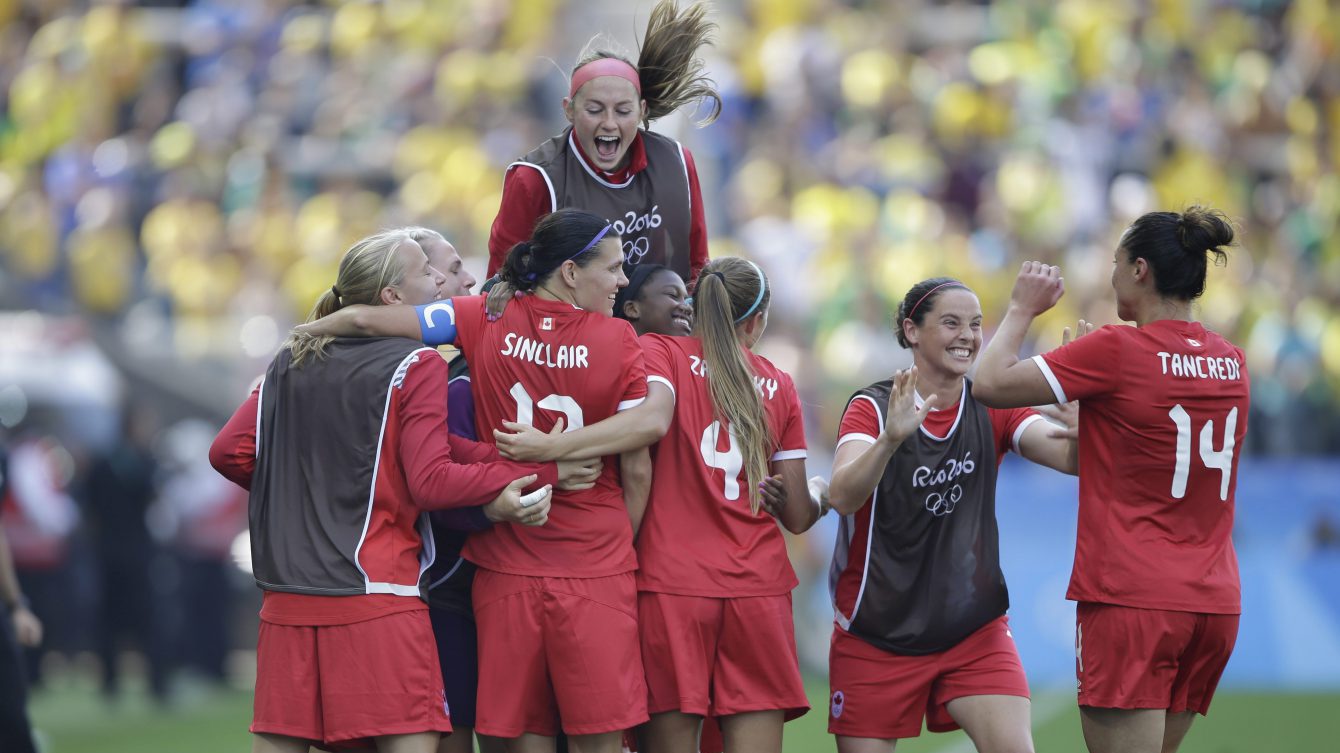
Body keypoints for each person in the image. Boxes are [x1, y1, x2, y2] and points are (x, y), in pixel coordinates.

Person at [299, 209, 658, 753]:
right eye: (612, 268)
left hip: (504, 567)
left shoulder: (480, 318)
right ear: (569, 272)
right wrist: (617, 536)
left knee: (517, 737)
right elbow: (642, 446)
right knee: (600, 740)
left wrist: (303, 334)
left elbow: (367, 320)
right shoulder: (619, 339)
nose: (623, 280)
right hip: (595, 562)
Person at [209, 228, 565, 753]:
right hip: (378, 595)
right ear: (392, 299)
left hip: (286, 603)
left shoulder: (292, 358)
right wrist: (541, 471)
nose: (441, 279)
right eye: (426, 271)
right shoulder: (414, 362)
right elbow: (432, 479)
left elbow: (229, 452)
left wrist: (307, 492)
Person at [491, 256, 822, 753]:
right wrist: (822, 493)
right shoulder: (778, 383)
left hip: (671, 586)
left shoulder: (658, 353)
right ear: (756, 321)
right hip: (758, 589)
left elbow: (642, 447)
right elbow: (797, 515)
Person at [972, 207, 1248, 753]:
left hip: (1133, 597)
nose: (1112, 274)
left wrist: (1022, 309)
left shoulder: (1119, 348)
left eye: (1116, 263)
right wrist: (1099, 429)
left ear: (1140, 270)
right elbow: (1164, 442)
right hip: (1215, 601)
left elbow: (989, 382)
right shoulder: (1231, 360)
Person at [824, 277, 1082, 753]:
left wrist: (1090, 427)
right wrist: (890, 440)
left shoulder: (991, 406)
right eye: (951, 323)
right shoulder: (874, 406)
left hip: (972, 630)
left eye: (976, 325)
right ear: (912, 330)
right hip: (877, 633)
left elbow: (1072, 461)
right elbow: (843, 495)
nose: (968, 335)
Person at [488, 0, 720, 286]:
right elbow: (501, 284)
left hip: (661, 328)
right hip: (570, 328)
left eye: (623, 111)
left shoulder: (677, 162)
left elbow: (697, 268)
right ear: (568, 110)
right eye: (595, 110)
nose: (609, 122)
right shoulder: (535, 178)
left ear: (642, 111)